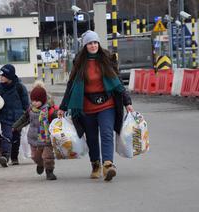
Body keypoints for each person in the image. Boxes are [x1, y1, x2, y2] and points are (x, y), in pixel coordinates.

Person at [57, 30, 134, 181]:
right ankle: (95, 164)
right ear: (85, 46)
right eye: (90, 43)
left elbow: (118, 82)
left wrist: (127, 102)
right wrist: (63, 106)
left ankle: (108, 165)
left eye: (95, 42)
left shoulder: (107, 59)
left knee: (106, 133)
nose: (93, 46)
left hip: (107, 104)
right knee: (92, 138)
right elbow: (71, 85)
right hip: (86, 106)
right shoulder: (79, 63)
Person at [13, 81, 57, 180]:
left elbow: (57, 120)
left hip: (46, 139)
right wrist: (15, 126)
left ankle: (49, 172)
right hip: (34, 138)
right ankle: (40, 164)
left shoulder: (49, 110)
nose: (34, 103)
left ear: (43, 100)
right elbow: (24, 119)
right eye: (33, 100)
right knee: (35, 157)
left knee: (47, 156)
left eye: (37, 101)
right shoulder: (31, 110)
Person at [0, 64, 29, 167]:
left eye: (3, 76)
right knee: (6, 136)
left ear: (9, 77)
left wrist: (26, 115)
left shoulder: (19, 87)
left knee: (15, 138)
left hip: (18, 118)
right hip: (5, 117)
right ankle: (5, 157)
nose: (0, 78)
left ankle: (14, 158)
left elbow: (26, 103)